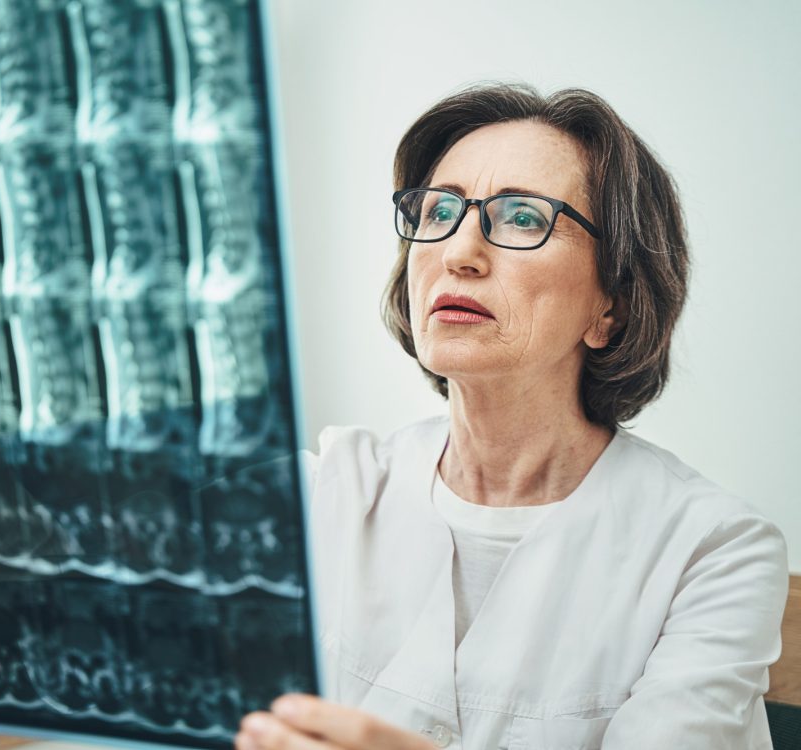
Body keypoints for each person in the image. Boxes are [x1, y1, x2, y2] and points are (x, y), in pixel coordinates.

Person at [234, 83, 789, 750]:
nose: (458, 253)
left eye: (523, 218)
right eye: (439, 211)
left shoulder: (715, 551)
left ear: (611, 307)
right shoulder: (316, 496)